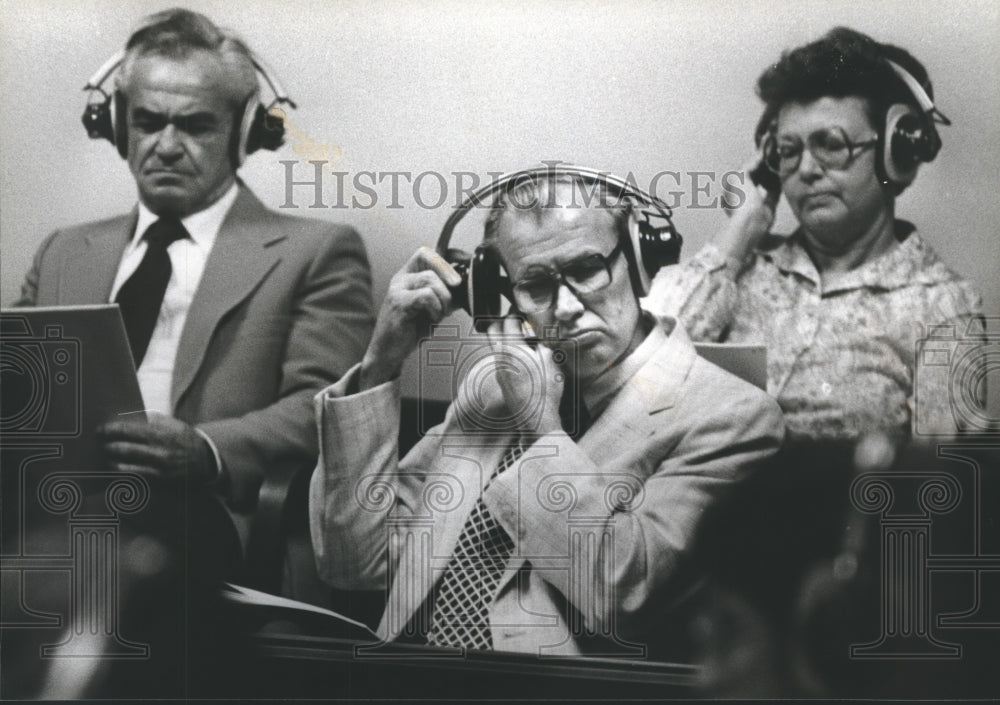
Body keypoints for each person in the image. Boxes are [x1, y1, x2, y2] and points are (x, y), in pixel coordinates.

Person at [309, 172, 784, 656]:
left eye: (586, 269)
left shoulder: (733, 418)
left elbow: (626, 596)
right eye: (536, 285)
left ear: (641, 262)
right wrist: (380, 364)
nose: (567, 307)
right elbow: (355, 561)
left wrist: (541, 429)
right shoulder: (491, 388)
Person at [15, 9, 374, 550]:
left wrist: (205, 448)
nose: (165, 145)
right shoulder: (64, 251)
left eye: (196, 125)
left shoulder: (316, 252)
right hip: (46, 504)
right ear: (116, 127)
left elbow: (324, 406)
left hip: (196, 516)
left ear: (246, 132)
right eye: (148, 121)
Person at [646, 27, 985, 441]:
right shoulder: (741, 272)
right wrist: (739, 233)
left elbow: (935, 480)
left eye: (831, 144)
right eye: (789, 151)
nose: (806, 169)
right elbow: (641, 372)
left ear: (896, 154)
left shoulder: (943, 306)